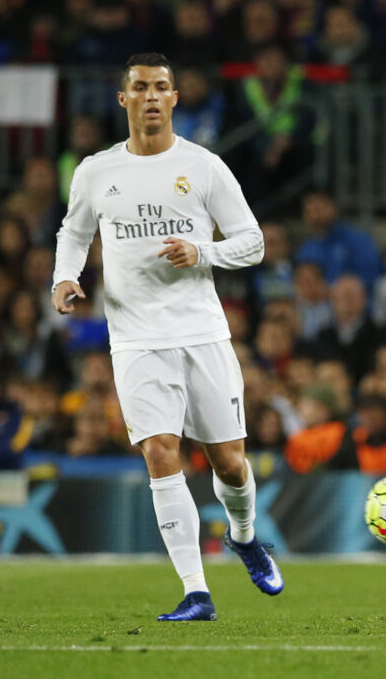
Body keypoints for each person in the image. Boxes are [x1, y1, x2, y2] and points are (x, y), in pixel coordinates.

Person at [51, 53, 281, 623]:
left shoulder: (203, 166)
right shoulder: (95, 171)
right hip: (135, 338)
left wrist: (202, 251)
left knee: (230, 463)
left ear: (174, 98)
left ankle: (244, 536)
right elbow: (73, 231)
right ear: (123, 99)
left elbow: (253, 242)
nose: (151, 96)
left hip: (201, 332)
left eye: (160, 87)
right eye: (140, 88)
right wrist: (64, 277)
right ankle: (196, 592)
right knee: (159, 450)